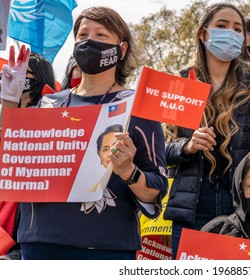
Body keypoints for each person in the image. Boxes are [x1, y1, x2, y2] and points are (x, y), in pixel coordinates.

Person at [1, 6, 167, 260]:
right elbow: (13, 161)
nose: (90, 41)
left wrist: (128, 172)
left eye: (101, 35)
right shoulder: (48, 104)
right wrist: (10, 103)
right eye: (83, 35)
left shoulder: (138, 108)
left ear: (121, 49)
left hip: (106, 247)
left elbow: (155, 190)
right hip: (39, 242)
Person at [163, 2, 250, 258]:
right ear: (203, 33)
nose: (230, 33)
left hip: (245, 207)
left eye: (237, 29)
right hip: (192, 206)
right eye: (221, 26)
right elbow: (160, 151)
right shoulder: (180, 81)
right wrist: (187, 146)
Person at [0, 48, 55, 260]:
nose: (20, 78)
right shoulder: (6, 109)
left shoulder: (49, 111)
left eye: (27, 75)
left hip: (27, 206)